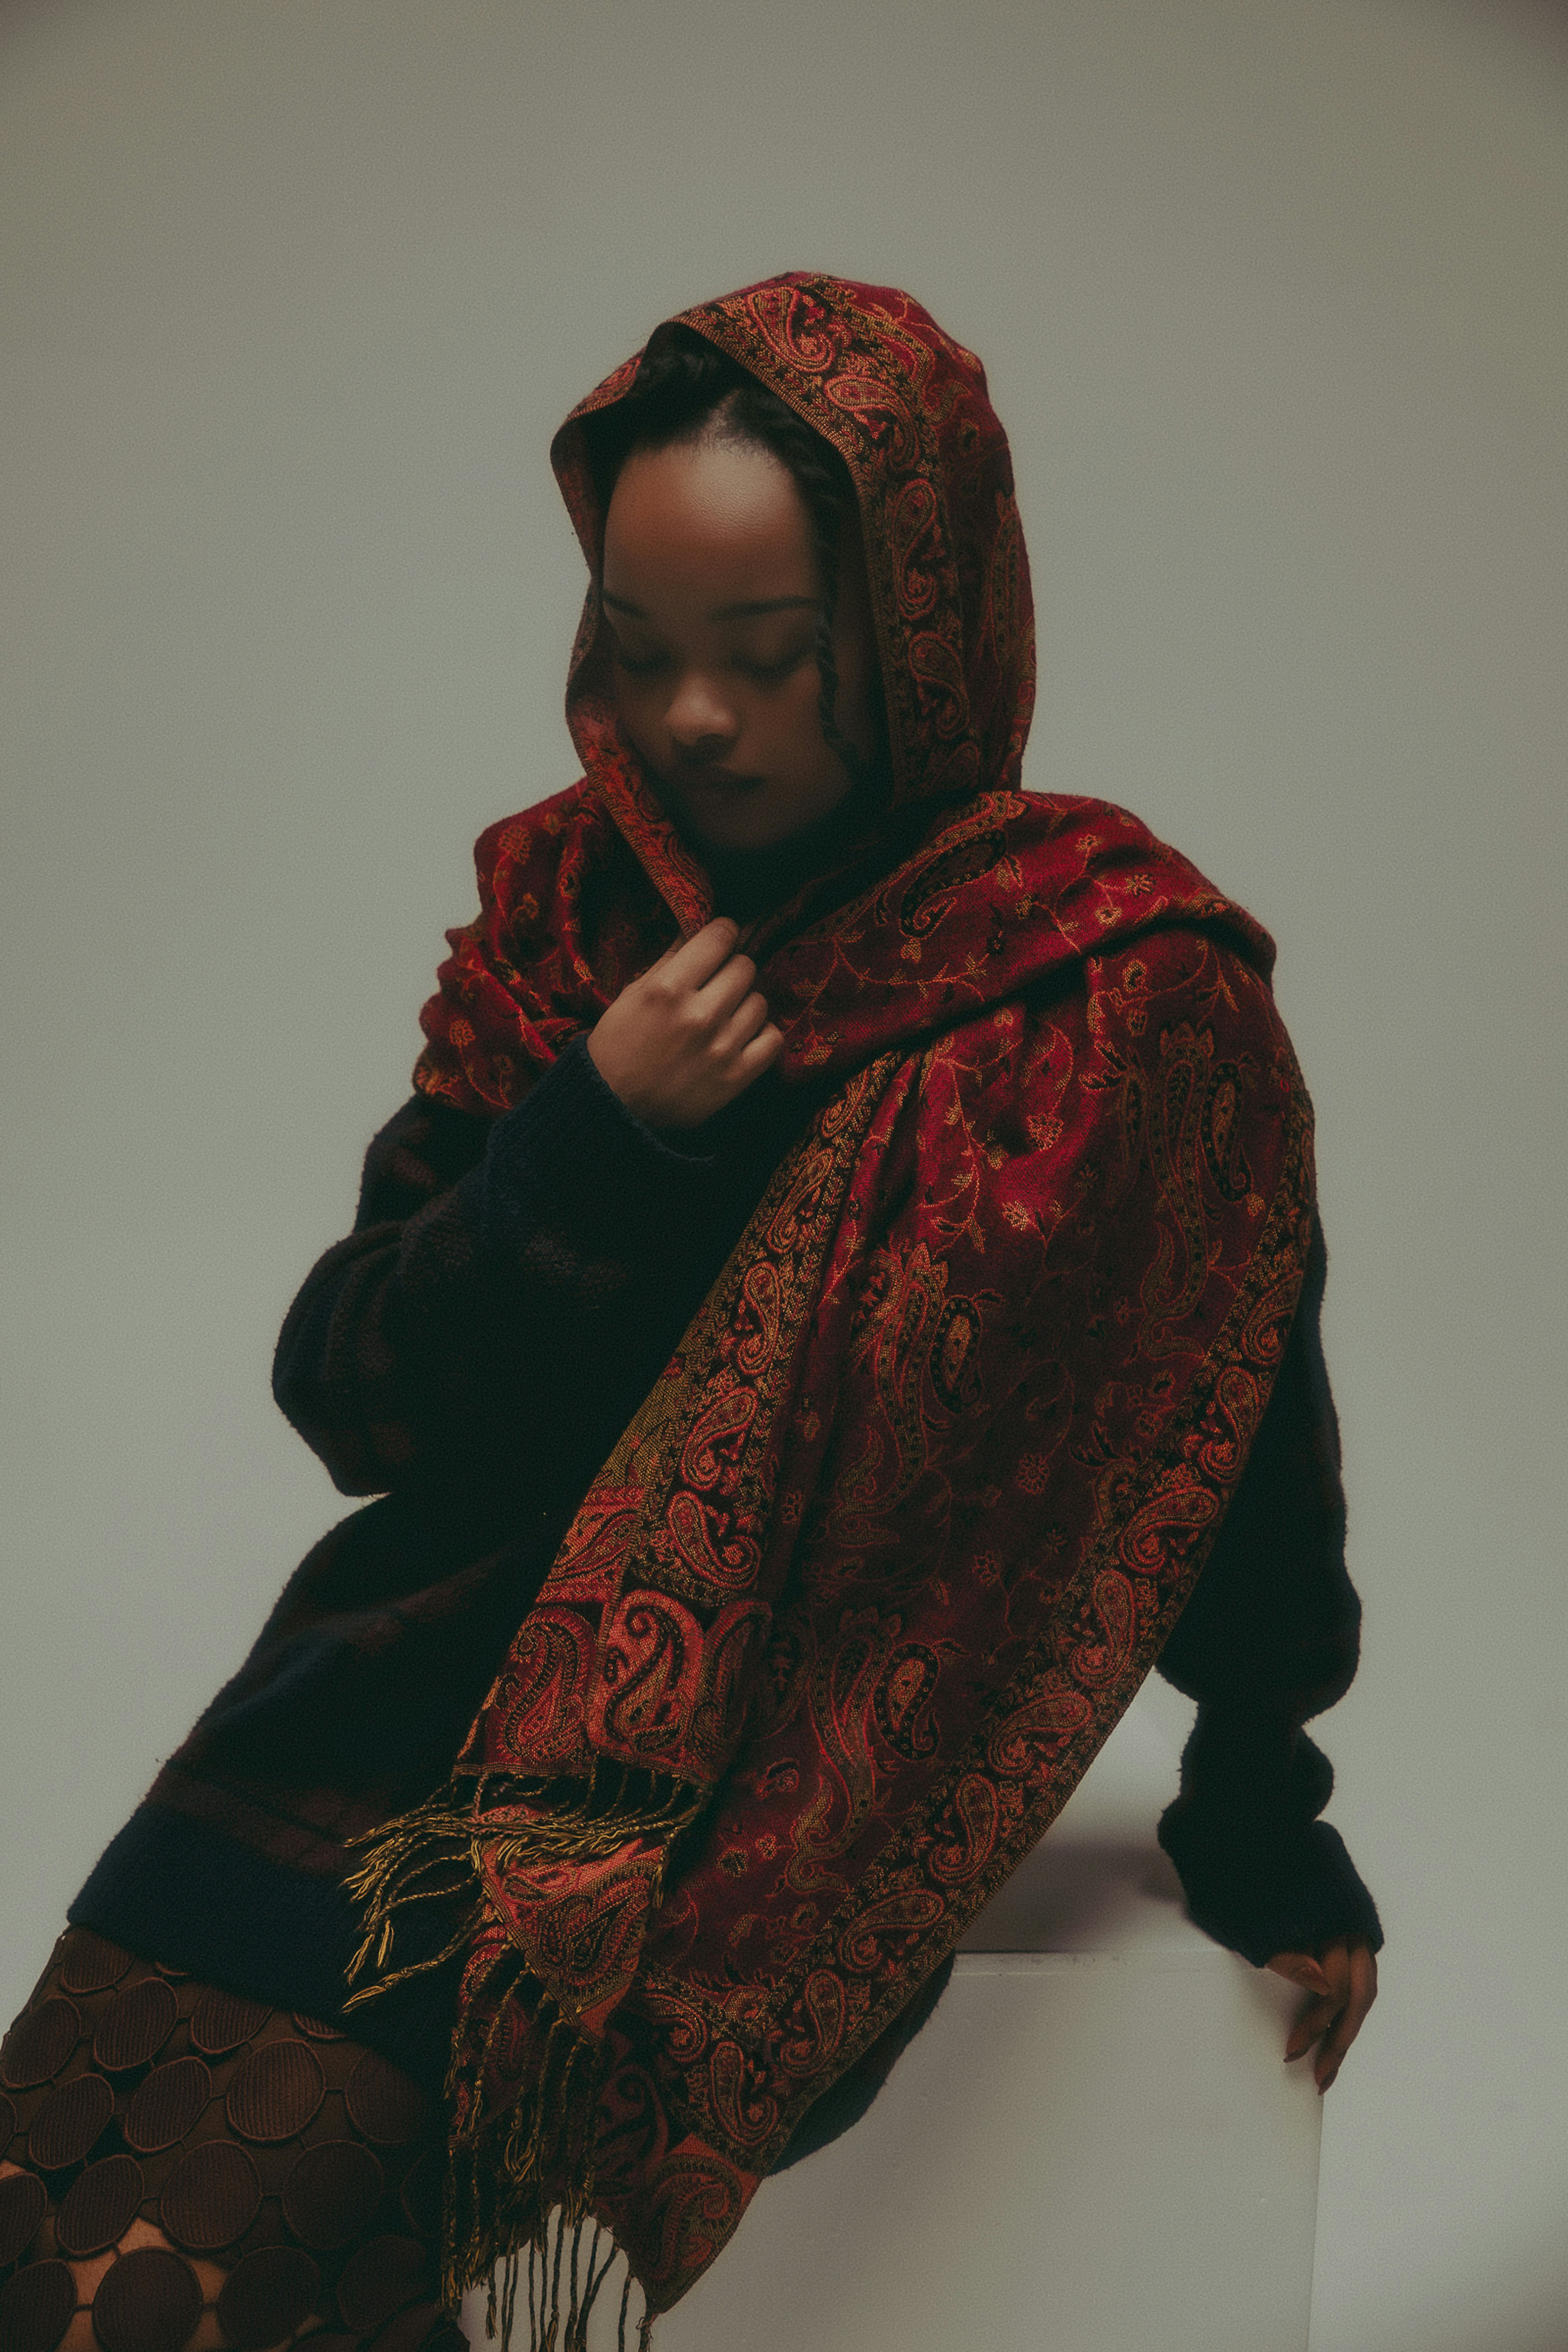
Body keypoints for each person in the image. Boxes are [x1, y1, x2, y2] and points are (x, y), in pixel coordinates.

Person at [0, 273, 1380, 2352]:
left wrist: (1268, 1814)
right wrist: (588, 1141)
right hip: (349, 1743)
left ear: (920, 644)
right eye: (640, 655)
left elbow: (1228, 1413)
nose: (695, 723)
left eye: (768, 658)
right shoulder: (580, 929)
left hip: (702, 1886)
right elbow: (355, 1391)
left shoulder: (1115, 1008)